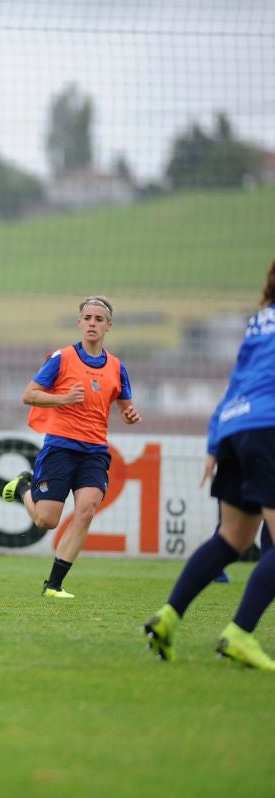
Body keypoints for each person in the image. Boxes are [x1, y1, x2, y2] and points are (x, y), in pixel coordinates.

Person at [144, 259, 275, 670]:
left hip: (236, 425)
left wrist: (215, 442)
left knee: (233, 537)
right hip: (270, 427)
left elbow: (237, 383)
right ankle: (239, 634)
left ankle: (168, 617)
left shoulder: (259, 323)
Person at [1, 296, 141, 598]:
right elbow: (29, 394)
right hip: (61, 447)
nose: (92, 323)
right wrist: (62, 399)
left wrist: (130, 416)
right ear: (79, 322)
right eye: (87, 318)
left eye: (99, 319)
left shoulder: (117, 367)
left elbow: (125, 409)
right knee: (46, 520)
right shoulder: (62, 358)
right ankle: (24, 486)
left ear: (108, 326)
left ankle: (53, 585)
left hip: (95, 451)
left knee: (86, 512)